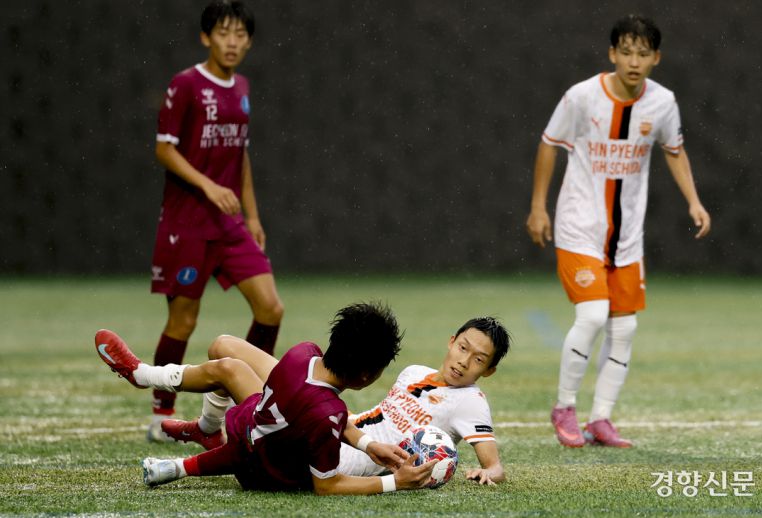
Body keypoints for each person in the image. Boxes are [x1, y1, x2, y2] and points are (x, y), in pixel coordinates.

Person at [525, 15, 711, 448]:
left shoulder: (663, 102)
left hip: (626, 236)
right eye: (625, 51)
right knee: (592, 316)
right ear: (612, 54)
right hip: (578, 225)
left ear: (656, 58)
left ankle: (601, 419)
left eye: (643, 53)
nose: (633, 61)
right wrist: (538, 207)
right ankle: (565, 407)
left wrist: (694, 200)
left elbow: (675, 151)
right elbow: (549, 144)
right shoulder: (582, 97)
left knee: (624, 330)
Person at [95, 302, 436, 494]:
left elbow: (317, 412)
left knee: (225, 358)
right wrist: (396, 482)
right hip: (262, 469)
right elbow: (327, 485)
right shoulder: (329, 414)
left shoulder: (304, 354)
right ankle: (206, 429)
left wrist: (366, 445)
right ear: (366, 375)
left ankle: (145, 376)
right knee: (224, 353)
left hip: (258, 428)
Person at [147, 0, 283, 442]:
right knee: (183, 323)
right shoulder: (185, 85)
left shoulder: (242, 86)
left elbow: (239, 153)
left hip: (229, 224)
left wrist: (253, 215)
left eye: (241, 35)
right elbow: (164, 149)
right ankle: (160, 415)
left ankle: (255, 403)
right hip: (187, 222)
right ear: (206, 37)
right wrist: (208, 186)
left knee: (270, 308)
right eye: (223, 33)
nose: (232, 42)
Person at [161, 317, 511, 486]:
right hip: (343, 425)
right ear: (451, 341)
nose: (465, 361)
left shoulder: (472, 401)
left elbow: (494, 465)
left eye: (479, 359)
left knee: (228, 367)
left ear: (489, 371)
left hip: (340, 449)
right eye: (464, 348)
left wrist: (487, 472)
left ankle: (153, 380)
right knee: (223, 346)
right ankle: (208, 430)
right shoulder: (414, 370)